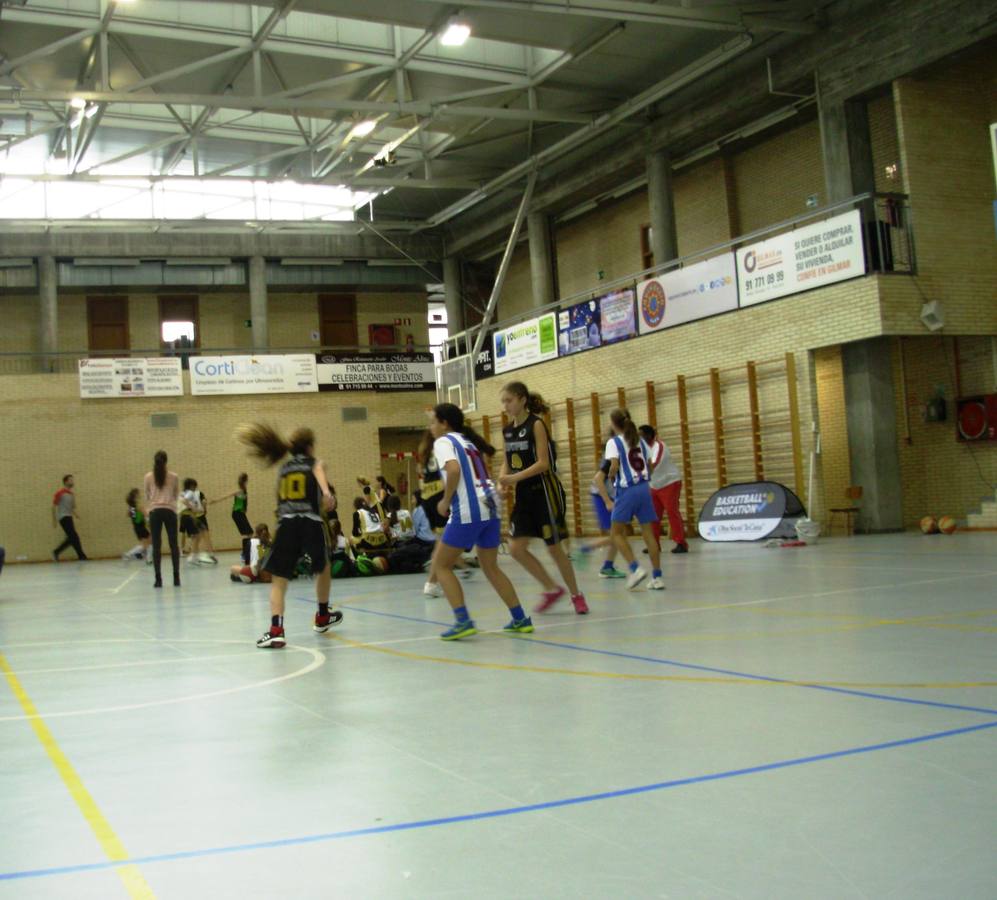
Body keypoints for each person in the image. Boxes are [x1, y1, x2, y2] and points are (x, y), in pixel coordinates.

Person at [430, 402, 532, 640]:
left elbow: (453, 471)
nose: (431, 427)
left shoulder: (443, 442)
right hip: (491, 507)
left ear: (444, 423)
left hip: (469, 509)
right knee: (491, 567)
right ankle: (520, 618)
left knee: (441, 565)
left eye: (433, 422)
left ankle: (463, 621)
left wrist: (445, 500)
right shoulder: (468, 442)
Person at [237, 424, 342, 649]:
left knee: (279, 579)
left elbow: (279, 500)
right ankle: (323, 615)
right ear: (310, 447)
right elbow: (319, 471)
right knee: (323, 567)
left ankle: (276, 631)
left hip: (286, 524)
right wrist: (326, 493)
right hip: (310, 522)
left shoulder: (284, 469)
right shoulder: (315, 463)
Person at [498, 381, 588, 615]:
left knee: (554, 548)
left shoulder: (536, 424)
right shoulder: (507, 431)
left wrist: (514, 478)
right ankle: (551, 588)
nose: (505, 405)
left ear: (522, 399)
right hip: (524, 494)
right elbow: (507, 460)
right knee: (516, 548)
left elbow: (543, 463)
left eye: (509, 400)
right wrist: (502, 481)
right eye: (503, 401)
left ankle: (576, 595)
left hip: (545, 491)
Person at [605, 409, 664, 590]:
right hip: (644, 489)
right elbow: (650, 465)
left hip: (627, 490)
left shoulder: (614, 442)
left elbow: (614, 465)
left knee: (616, 533)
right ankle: (657, 577)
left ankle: (635, 568)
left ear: (614, 424)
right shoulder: (641, 441)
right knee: (648, 534)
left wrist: (611, 476)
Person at [639, 424, 689, 554]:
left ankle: (681, 543)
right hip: (654, 485)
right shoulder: (640, 449)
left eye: (641, 435)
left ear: (649, 436)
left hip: (669, 482)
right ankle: (654, 544)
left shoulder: (659, 446)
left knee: (672, 512)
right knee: (653, 515)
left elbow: (654, 464)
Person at [583, 456, 626, 578]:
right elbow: (598, 479)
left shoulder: (618, 457)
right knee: (618, 535)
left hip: (609, 497)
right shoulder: (611, 459)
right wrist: (607, 502)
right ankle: (586, 549)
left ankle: (607, 566)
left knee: (619, 535)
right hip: (601, 497)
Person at [144, 451, 180, 588]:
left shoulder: (148, 477)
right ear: (166, 461)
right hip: (170, 511)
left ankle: (158, 579)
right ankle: (176, 577)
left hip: (155, 512)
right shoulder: (174, 476)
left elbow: (147, 495)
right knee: (173, 545)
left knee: (156, 546)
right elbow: (176, 494)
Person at [210, 473, 254, 564]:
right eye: (246, 481)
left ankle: (245, 553)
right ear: (245, 482)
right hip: (237, 514)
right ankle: (244, 554)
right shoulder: (239, 491)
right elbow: (226, 496)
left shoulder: (244, 491)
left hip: (241, 514)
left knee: (250, 533)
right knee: (247, 533)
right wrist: (215, 500)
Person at [180, 479, 215, 565]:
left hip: (189, 517)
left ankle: (194, 556)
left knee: (197, 535)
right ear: (191, 485)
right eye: (194, 485)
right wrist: (193, 508)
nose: (195, 487)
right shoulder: (190, 493)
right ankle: (194, 556)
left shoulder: (183, 493)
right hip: (188, 516)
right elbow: (184, 501)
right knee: (197, 536)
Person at [52, 474, 87, 561]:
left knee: (72, 538)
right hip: (63, 517)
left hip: (69, 517)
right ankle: (81, 556)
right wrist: (54, 519)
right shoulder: (60, 493)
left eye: (72, 480)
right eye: (70, 480)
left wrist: (75, 514)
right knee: (74, 536)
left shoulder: (71, 494)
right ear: (66, 482)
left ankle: (56, 551)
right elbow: (53, 506)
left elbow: (71, 507)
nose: (72, 482)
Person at [122, 488, 152, 563]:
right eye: (138, 494)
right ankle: (128, 554)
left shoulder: (131, 508)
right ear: (135, 497)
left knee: (149, 542)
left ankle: (147, 558)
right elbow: (146, 516)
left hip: (137, 528)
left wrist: (140, 515)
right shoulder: (139, 507)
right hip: (141, 527)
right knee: (145, 544)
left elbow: (130, 516)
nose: (140, 495)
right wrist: (148, 514)